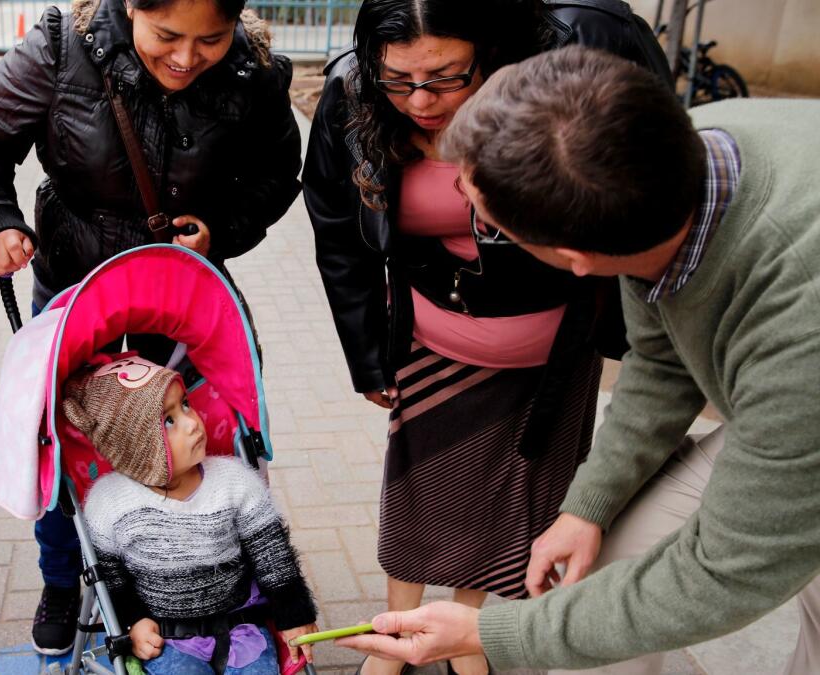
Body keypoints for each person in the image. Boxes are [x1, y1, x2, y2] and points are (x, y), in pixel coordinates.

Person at [336, 45, 820, 675]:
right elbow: (662, 358)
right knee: (597, 573)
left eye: (490, 226)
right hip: (788, 419)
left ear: (576, 261)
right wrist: (587, 504)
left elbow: (724, 574)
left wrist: (500, 633)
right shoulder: (669, 161)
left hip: (799, 404)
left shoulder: (795, 332)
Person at [301, 2, 667, 673]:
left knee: (509, 506)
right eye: (399, 79)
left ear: (489, 47)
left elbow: (640, 198)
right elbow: (337, 234)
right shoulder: (354, 95)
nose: (419, 101)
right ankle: (396, 640)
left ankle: (468, 637)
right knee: (418, 500)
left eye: (443, 76)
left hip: (551, 356)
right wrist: (366, 355)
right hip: (430, 344)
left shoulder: (573, 56)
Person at [0, 0, 301, 654]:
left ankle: (188, 574)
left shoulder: (252, 72)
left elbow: (278, 172)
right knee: (63, 446)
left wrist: (220, 229)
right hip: (78, 298)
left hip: (186, 302)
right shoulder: (62, 47)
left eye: (211, 39)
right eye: (167, 35)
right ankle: (62, 579)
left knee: (203, 438)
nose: (186, 58)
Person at [65, 354, 319, 673]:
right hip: (165, 636)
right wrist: (133, 621)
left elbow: (273, 558)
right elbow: (112, 581)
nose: (192, 422)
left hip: (242, 626)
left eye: (185, 404)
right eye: (169, 420)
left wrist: (295, 616)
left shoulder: (234, 480)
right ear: (134, 446)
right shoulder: (109, 504)